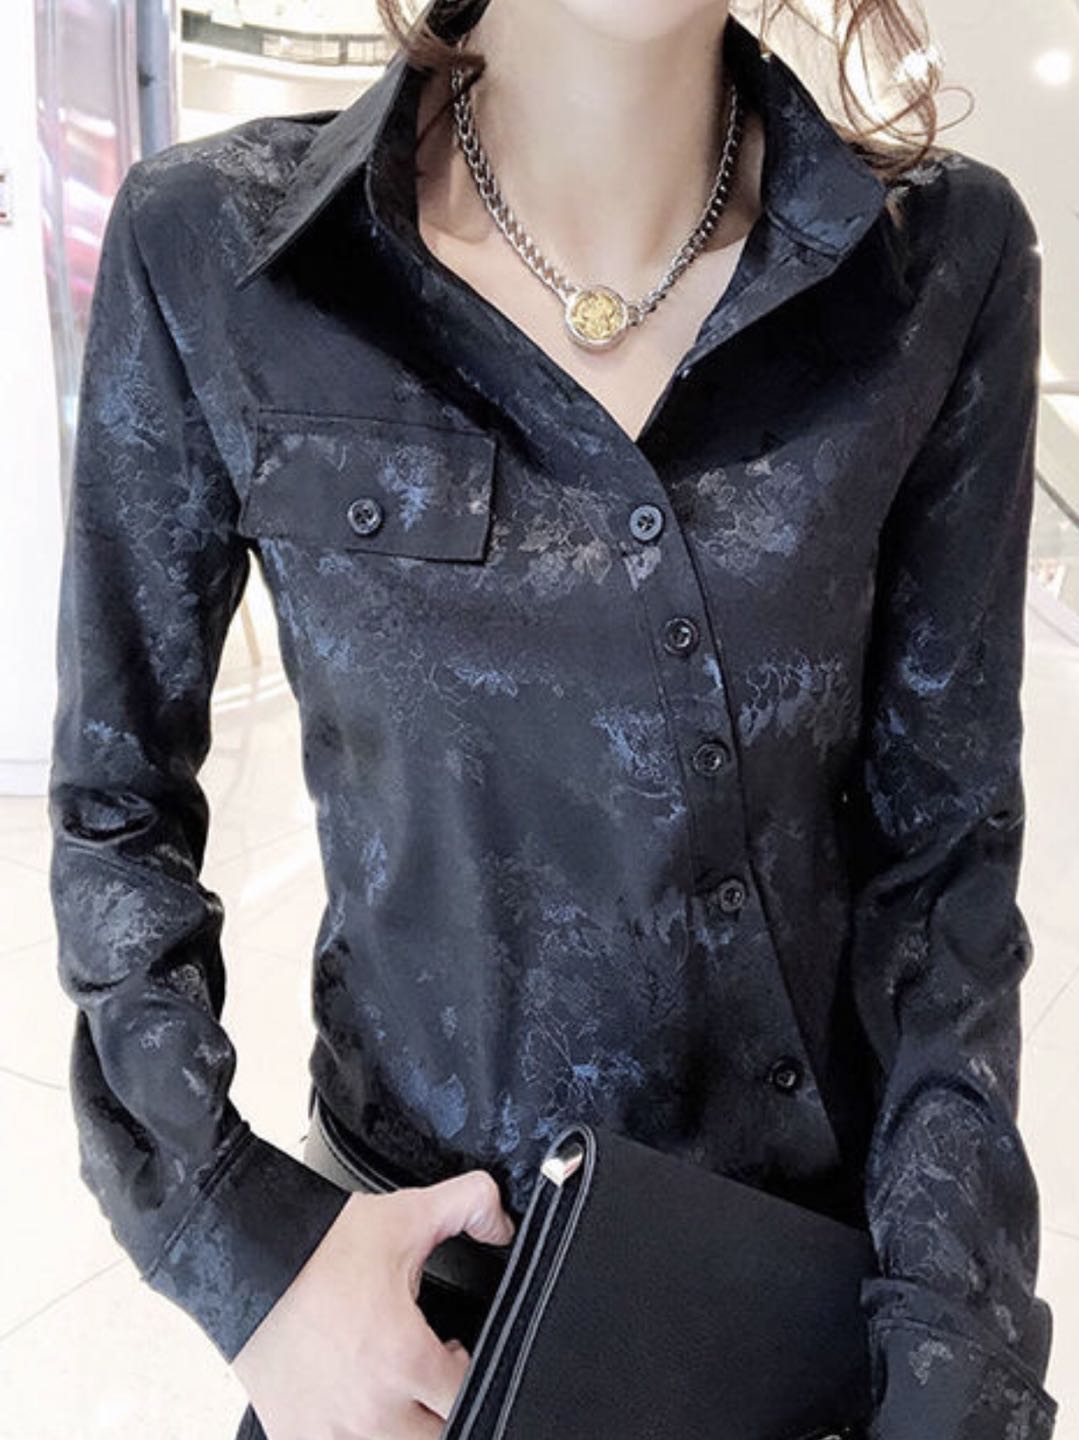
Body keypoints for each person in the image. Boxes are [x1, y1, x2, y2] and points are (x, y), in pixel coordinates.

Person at [46, 0, 1059, 1437]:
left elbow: (945, 862)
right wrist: (242, 1246)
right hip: (406, 1339)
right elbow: (116, 806)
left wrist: (954, 1365)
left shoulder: (939, 265)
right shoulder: (218, 250)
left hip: (803, 1318)